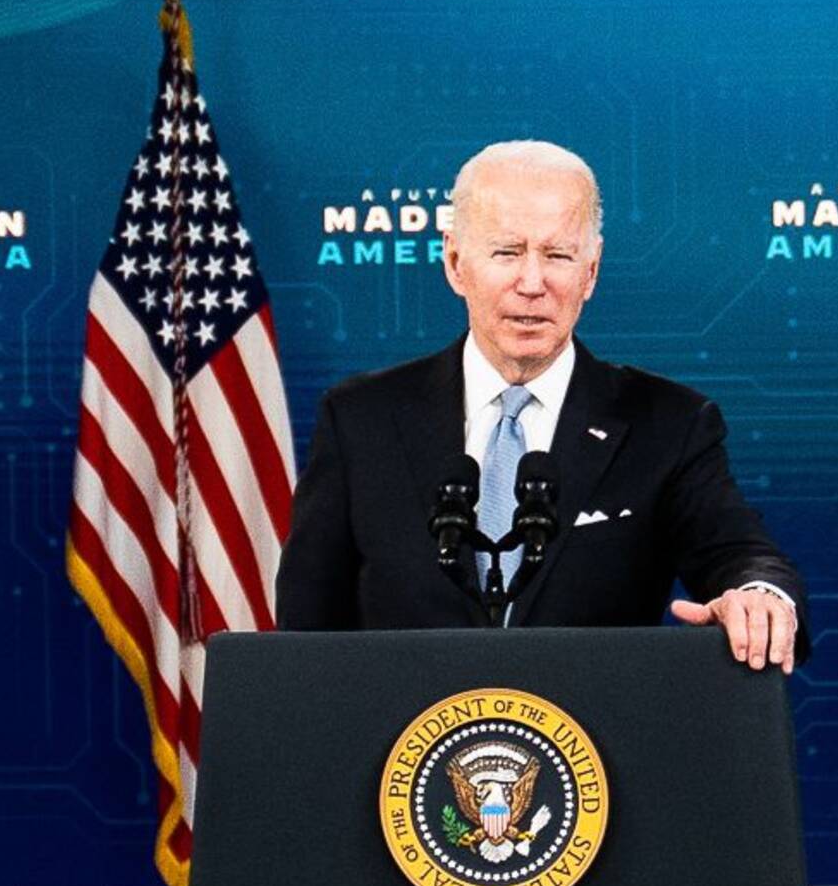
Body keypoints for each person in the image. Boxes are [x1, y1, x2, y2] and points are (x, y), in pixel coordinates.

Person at [277, 141, 807, 671]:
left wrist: (759, 596)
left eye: (558, 255)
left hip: (592, 746)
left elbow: (740, 554)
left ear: (591, 271)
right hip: (404, 747)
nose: (532, 284)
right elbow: (305, 633)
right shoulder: (360, 420)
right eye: (507, 252)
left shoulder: (669, 424)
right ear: (456, 262)